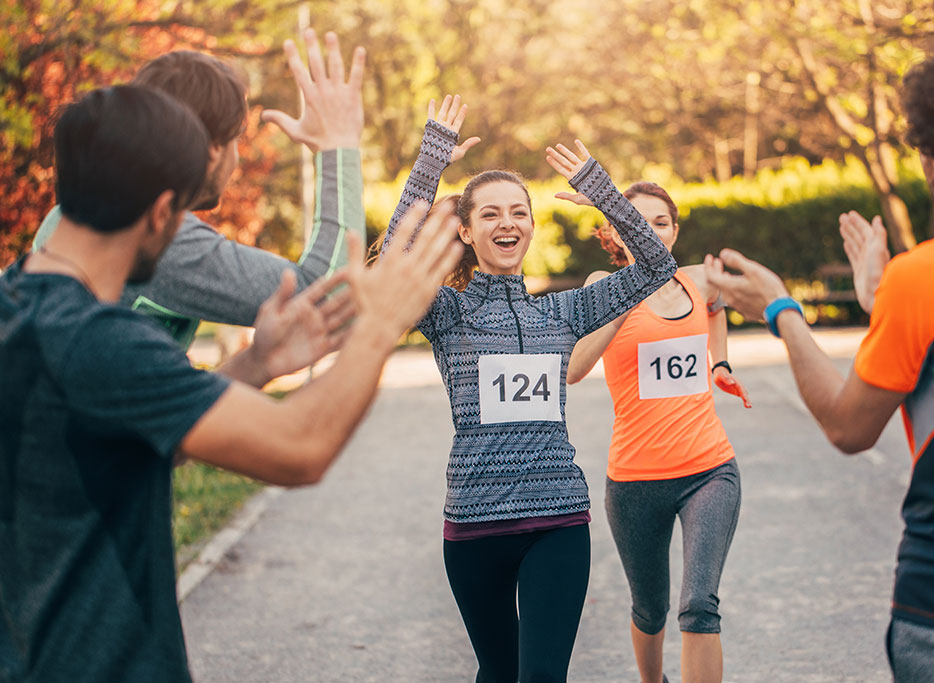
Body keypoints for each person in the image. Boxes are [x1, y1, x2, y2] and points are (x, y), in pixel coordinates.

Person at [0, 47, 463, 683]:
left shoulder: (17, 305)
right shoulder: (101, 343)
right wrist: (380, 326)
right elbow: (299, 448)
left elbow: (118, 439)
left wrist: (256, 364)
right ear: (164, 214)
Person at [704, 38, 934, 682]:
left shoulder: (927, 276)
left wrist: (778, 309)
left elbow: (850, 427)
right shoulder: (913, 286)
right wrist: (884, 304)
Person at [376, 96, 677, 682]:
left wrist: (604, 196)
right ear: (465, 229)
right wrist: (430, 162)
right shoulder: (448, 315)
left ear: (533, 227)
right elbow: (394, 263)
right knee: (498, 671)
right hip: (474, 522)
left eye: (518, 212)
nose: (507, 223)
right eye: (489, 214)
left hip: (559, 519)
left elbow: (656, 265)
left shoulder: (563, 314)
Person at [33, 28, 364, 348]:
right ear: (212, 150)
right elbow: (328, 301)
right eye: (237, 138)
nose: (237, 158)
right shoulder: (158, 239)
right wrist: (338, 147)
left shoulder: (80, 212)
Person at [560, 180, 748, 683]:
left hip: (710, 470)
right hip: (635, 481)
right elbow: (575, 368)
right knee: (650, 609)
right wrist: (627, 295)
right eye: (636, 223)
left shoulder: (694, 280)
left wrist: (720, 362)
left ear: (674, 230)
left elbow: (714, 308)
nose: (650, 231)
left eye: (660, 222)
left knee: (699, 606)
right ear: (617, 234)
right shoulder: (603, 283)